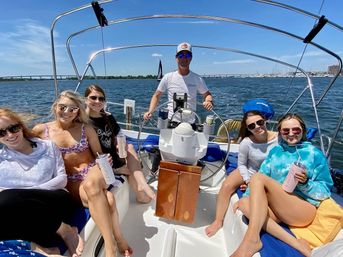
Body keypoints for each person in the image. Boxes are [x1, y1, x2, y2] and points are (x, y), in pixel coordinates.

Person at [33, 91, 132, 257]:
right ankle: (119, 238)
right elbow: (20, 143)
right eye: (62, 107)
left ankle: (110, 249)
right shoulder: (42, 130)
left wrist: (110, 163)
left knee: (91, 185)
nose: (67, 112)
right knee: (108, 199)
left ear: (78, 111)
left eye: (73, 109)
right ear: (55, 107)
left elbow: (99, 155)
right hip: (70, 180)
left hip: (94, 171)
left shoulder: (86, 128)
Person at [231, 113, 333, 257]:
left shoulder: (313, 154)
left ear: (302, 130)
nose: (291, 134)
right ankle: (296, 243)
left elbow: (325, 190)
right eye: (286, 131)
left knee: (257, 178)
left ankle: (251, 240)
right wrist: (248, 196)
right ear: (280, 133)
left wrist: (305, 183)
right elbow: (263, 174)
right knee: (243, 203)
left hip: (302, 209)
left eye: (296, 130)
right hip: (279, 208)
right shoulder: (276, 151)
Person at [0, 108, 83, 257]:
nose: (10, 135)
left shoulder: (47, 146)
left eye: (13, 128)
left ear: (21, 126)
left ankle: (66, 231)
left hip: (54, 201)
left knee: (6, 199)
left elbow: (62, 179)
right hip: (25, 216)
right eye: (2, 133)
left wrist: (24, 194)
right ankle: (40, 248)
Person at [205, 110, 278, 237]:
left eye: (260, 122)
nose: (257, 127)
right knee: (226, 186)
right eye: (252, 126)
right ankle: (218, 220)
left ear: (265, 121)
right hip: (251, 171)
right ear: (248, 129)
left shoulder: (279, 138)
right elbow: (242, 165)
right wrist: (248, 179)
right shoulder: (246, 143)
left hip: (271, 175)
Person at [84, 84, 156, 203]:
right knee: (131, 168)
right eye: (93, 98)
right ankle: (141, 192)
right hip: (102, 162)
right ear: (85, 99)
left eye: (101, 98)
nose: (97, 101)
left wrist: (119, 145)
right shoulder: (84, 122)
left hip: (115, 156)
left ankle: (142, 187)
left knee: (129, 146)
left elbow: (119, 135)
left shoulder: (108, 117)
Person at [143, 42, 213, 123]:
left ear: (191, 58)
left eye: (187, 55)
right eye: (181, 56)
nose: (184, 58)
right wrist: (150, 111)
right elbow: (157, 95)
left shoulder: (197, 79)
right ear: (176, 58)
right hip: (170, 121)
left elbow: (207, 94)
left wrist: (208, 101)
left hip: (190, 123)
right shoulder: (168, 77)